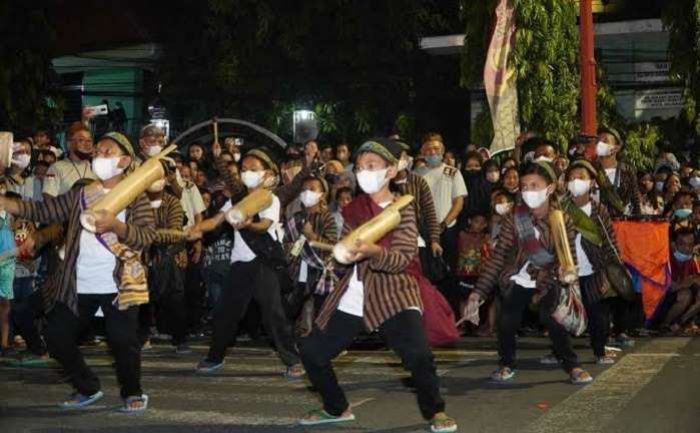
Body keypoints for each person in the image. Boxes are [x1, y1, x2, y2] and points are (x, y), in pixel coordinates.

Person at [299, 138, 457, 433]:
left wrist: (373, 252)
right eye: (359, 167)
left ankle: (435, 411)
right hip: (356, 292)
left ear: (390, 171)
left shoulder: (404, 208)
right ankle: (336, 407)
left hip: (394, 291)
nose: (363, 172)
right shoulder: (355, 208)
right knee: (312, 352)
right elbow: (346, 250)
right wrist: (341, 253)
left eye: (371, 166)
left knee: (419, 356)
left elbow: (403, 258)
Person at [0, 132, 156, 411]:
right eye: (97, 150)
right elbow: (45, 210)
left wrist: (117, 227)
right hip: (78, 283)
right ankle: (87, 387)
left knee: (123, 343)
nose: (99, 155)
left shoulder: (136, 198)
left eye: (107, 152)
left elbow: (145, 237)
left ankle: (133, 392)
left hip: (117, 285)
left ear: (124, 160)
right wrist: (7, 203)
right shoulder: (81, 194)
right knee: (58, 339)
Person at [466, 161, 593, 385]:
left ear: (550, 188)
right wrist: (478, 294)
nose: (528, 192)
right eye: (524, 187)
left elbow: (568, 256)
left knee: (552, 318)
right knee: (507, 318)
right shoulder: (514, 219)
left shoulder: (562, 220)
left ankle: (572, 365)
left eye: (535, 186)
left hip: (550, 276)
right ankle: (506, 363)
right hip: (520, 277)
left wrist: (565, 272)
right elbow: (498, 257)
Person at [188, 148, 302, 377]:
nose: (247, 173)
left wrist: (248, 224)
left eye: (253, 169)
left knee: (273, 314)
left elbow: (264, 226)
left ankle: (292, 360)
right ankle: (214, 357)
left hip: (262, 262)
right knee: (225, 313)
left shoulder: (270, 198)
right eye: (244, 169)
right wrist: (195, 229)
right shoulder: (236, 199)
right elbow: (216, 221)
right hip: (239, 264)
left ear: (266, 173)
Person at [558, 160, 618, 364]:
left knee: (597, 314)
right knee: (561, 315)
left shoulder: (599, 210)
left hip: (593, 270)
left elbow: (610, 240)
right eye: (571, 178)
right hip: (566, 271)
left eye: (581, 177)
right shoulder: (559, 209)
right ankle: (559, 352)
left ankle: (599, 351)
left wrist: (614, 269)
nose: (576, 182)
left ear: (592, 182)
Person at [284, 176, 338, 336]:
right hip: (297, 271)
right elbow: (286, 243)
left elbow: (332, 246)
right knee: (293, 309)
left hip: (319, 272)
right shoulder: (296, 218)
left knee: (319, 311)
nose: (307, 192)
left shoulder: (327, 217)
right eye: (304, 189)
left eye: (312, 189)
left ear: (322, 194)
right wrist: (292, 247)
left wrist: (312, 236)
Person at [594, 127, 641, 217]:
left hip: (621, 223)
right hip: (596, 223)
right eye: (598, 141)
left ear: (616, 148)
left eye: (605, 141)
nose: (600, 144)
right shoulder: (591, 169)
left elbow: (635, 200)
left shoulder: (627, 170)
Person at [661, 228, 700, 333]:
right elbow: (666, 288)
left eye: (691, 245)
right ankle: (664, 325)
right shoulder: (664, 258)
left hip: (680, 302)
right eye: (682, 244)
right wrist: (688, 282)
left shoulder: (690, 260)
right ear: (673, 245)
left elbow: (695, 279)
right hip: (661, 303)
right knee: (685, 294)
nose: (687, 248)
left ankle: (680, 323)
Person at [43, 122, 96, 199]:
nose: (87, 144)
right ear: (69, 143)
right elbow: (48, 196)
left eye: (89, 140)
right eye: (81, 140)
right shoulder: (56, 168)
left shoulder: (96, 168)